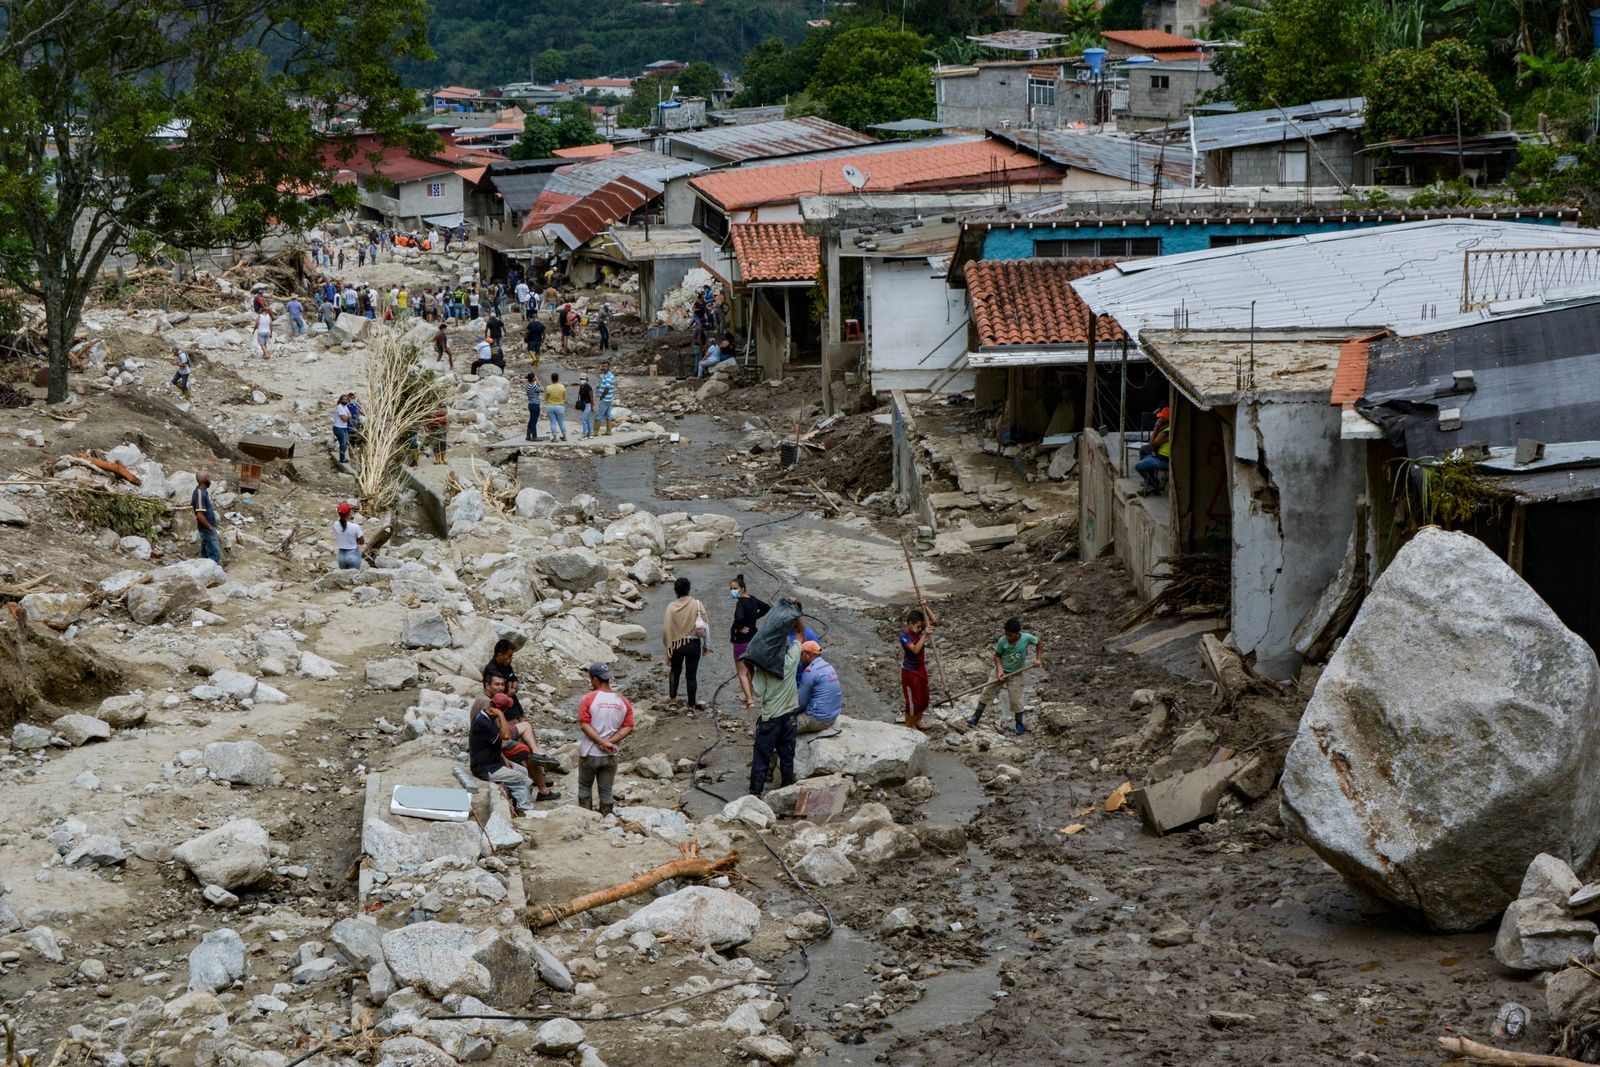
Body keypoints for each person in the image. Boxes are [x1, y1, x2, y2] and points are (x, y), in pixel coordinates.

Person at [479, 646, 562, 799]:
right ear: (487, 684)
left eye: (502, 685)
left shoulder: (488, 697)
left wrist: (514, 688)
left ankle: (539, 762)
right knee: (527, 753)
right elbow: (501, 735)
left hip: (498, 735)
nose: (500, 688)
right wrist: (503, 757)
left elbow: (513, 679)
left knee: (527, 728)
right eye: (497, 685)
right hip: (493, 748)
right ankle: (543, 790)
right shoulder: (488, 705)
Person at [748, 614, 807, 798]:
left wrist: (750, 669)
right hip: (789, 716)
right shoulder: (790, 662)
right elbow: (800, 635)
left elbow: (757, 692)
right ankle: (786, 790)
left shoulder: (763, 671)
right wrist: (796, 614)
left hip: (770, 718)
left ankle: (756, 793)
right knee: (787, 755)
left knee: (762, 755)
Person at [577, 663, 633, 815]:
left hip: (590, 753)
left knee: (584, 786)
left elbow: (584, 725)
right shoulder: (622, 701)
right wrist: (610, 742)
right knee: (606, 791)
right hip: (611, 755)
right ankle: (607, 818)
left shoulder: (588, 698)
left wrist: (601, 742)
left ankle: (585, 817)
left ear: (595, 679)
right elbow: (628, 726)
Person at [969, 617, 1042, 735]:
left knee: (1016, 700)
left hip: (1016, 673)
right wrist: (999, 671)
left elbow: (1039, 643)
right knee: (987, 692)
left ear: (1018, 634)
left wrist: (1038, 659)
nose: (1008, 637)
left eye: (1010, 635)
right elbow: (997, 657)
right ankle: (976, 717)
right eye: (1006, 634)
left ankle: (1018, 724)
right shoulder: (1003, 641)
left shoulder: (1027, 638)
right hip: (1001, 670)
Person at [468, 688, 535, 816]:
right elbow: (506, 735)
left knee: (523, 771)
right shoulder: (483, 722)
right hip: (486, 768)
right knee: (524, 781)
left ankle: (517, 804)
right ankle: (524, 811)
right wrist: (500, 715)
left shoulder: (487, 717)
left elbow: (495, 743)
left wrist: (505, 759)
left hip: (495, 762)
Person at [662, 577, 709, 710]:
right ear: (688, 589)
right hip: (693, 644)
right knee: (691, 675)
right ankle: (691, 705)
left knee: (675, 671)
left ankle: (672, 700)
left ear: (675, 590)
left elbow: (666, 629)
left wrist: (668, 646)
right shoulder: (697, 604)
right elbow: (705, 626)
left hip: (677, 645)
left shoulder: (671, 607)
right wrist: (706, 645)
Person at [729, 574, 770, 710]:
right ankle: (750, 694)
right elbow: (766, 607)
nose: (732, 591)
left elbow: (739, 618)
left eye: (734, 588)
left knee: (742, 673)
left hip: (741, 641)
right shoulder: (752, 599)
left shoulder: (740, 603)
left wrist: (739, 627)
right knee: (751, 669)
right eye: (731, 589)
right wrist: (754, 618)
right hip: (753, 638)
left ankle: (750, 701)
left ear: (742, 589)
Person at [796, 641, 841, 734]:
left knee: (785, 726)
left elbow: (802, 703)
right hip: (833, 715)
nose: (799, 658)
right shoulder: (828, 666)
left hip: (818, 720)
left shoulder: (810, 671)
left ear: (808, 654)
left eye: (801, 654)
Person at [899, 608, 932, 731]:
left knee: (924, 698)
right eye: (917, 627)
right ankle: (910, 724)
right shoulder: (904, 636)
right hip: (910, 672)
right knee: (913, 701)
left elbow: (933, 620)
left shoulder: (918, 630)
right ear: (910, 623)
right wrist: (924, 635)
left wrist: (925, 606)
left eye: (920, 627)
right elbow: (915, 650)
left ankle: (918, 720)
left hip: (921, 668)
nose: (919, 629)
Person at [1136, 407, 1171, 494]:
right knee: (1144, 450)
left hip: (1163, 460)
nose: (1158, 420)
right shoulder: (1166, 430)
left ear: (1164, 421)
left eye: (1160, 418)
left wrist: (1155, 429)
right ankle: (1149, 480)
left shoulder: (1165, 433)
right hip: (1160, 456)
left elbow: (1152, 443)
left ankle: (1153, 484)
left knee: (1139, 466)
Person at [192, 470, 221, 566]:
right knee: (214, 554)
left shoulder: (203, 492)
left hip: (207, 527)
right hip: (206, 528)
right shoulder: (200, 493)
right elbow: (199, 515)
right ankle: (214, 572)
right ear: (205, 480)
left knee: (205, 553)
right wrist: (209, 527)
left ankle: (203, 570)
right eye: (209, 478)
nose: (210, 480)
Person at [333, 502, 364, 569]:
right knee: (354, 577)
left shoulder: (335, 524)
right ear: (349, 512)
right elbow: (362, 542)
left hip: (341, 557)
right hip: (353, 555)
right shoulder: (355, 526)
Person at [545, 373, 568, 440]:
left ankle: (555, 438)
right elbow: (564, 397)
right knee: (561, 422)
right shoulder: (562, 387)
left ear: (551, 379)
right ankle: (564, 437)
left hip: (550, 406)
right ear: (558, 379)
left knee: (553, 422)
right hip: (560, 406)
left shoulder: (548, 387)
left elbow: (546, 398)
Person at [596, 360, 616, 436]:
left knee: (599, 414)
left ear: (608, 367)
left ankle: (594, 432)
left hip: (605, 399)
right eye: (603, 366)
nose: (603, 368)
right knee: (608, 415)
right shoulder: (607, 374)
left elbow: (607, 388)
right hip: (609, 398)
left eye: (605, 366)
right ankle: (609, 431)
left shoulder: (608, 376)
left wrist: (602, 396)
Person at [332, 395, 354, 464]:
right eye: (343, 399)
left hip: (344, 428)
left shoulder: (345, 407)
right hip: (338, 428)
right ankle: (342, 459)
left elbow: (350, 415)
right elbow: (344, 419)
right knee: (343, 443)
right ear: (340, 400)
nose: (345, 401)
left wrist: (346, 416)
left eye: (346, 399)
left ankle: (342, 457)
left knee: (346, 443)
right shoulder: (339, 407)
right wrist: (347, 416)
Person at [524, 372, 543, 442]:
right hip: (535, 405)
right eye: (535, 377)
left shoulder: (527, 386)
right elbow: (542, 389)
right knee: (534, 421)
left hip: (530, 404)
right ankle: (534, 437)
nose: (536, 377)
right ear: (533, 378)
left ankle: (528, 435)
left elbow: (533, 389)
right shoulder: (534, 386)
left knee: (531, 420)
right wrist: (538, 382)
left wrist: (535, 382)